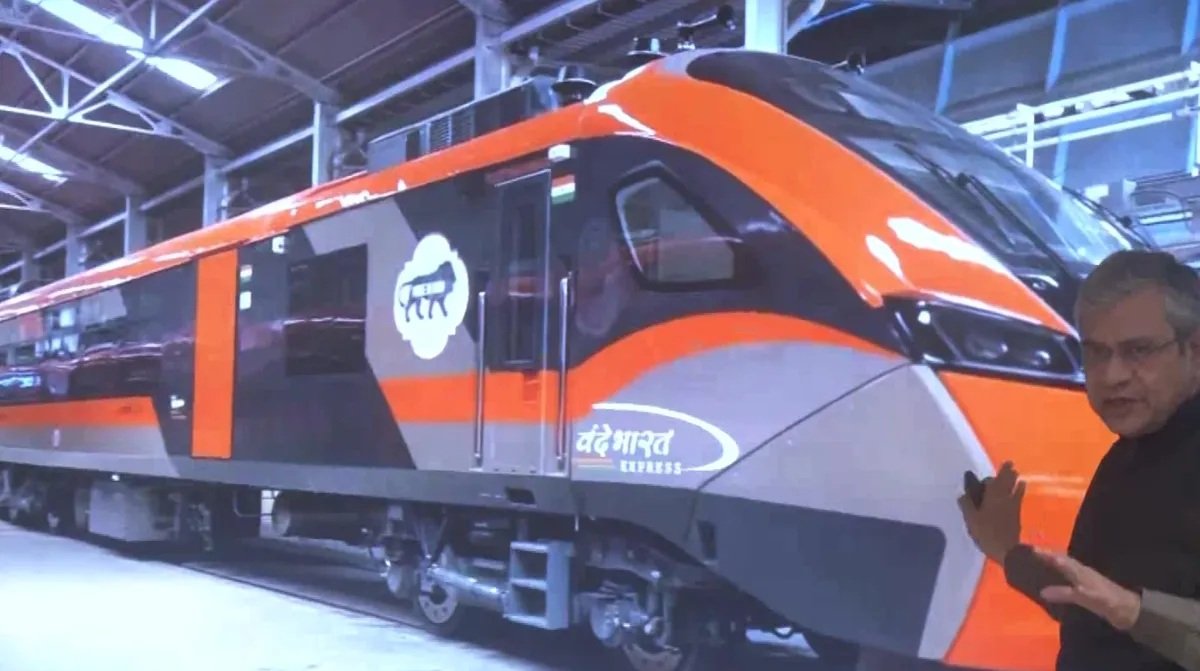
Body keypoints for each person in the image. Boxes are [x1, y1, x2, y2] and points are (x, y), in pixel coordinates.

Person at [957, 249, 1200, 671]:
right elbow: (1093, 607)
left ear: (1194, 350)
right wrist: (1007, 550)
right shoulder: (1134, 449)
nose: (1111, 376)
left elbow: (1118, 607)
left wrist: (1133, 610)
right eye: (1096, 352)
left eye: (1139, 351)